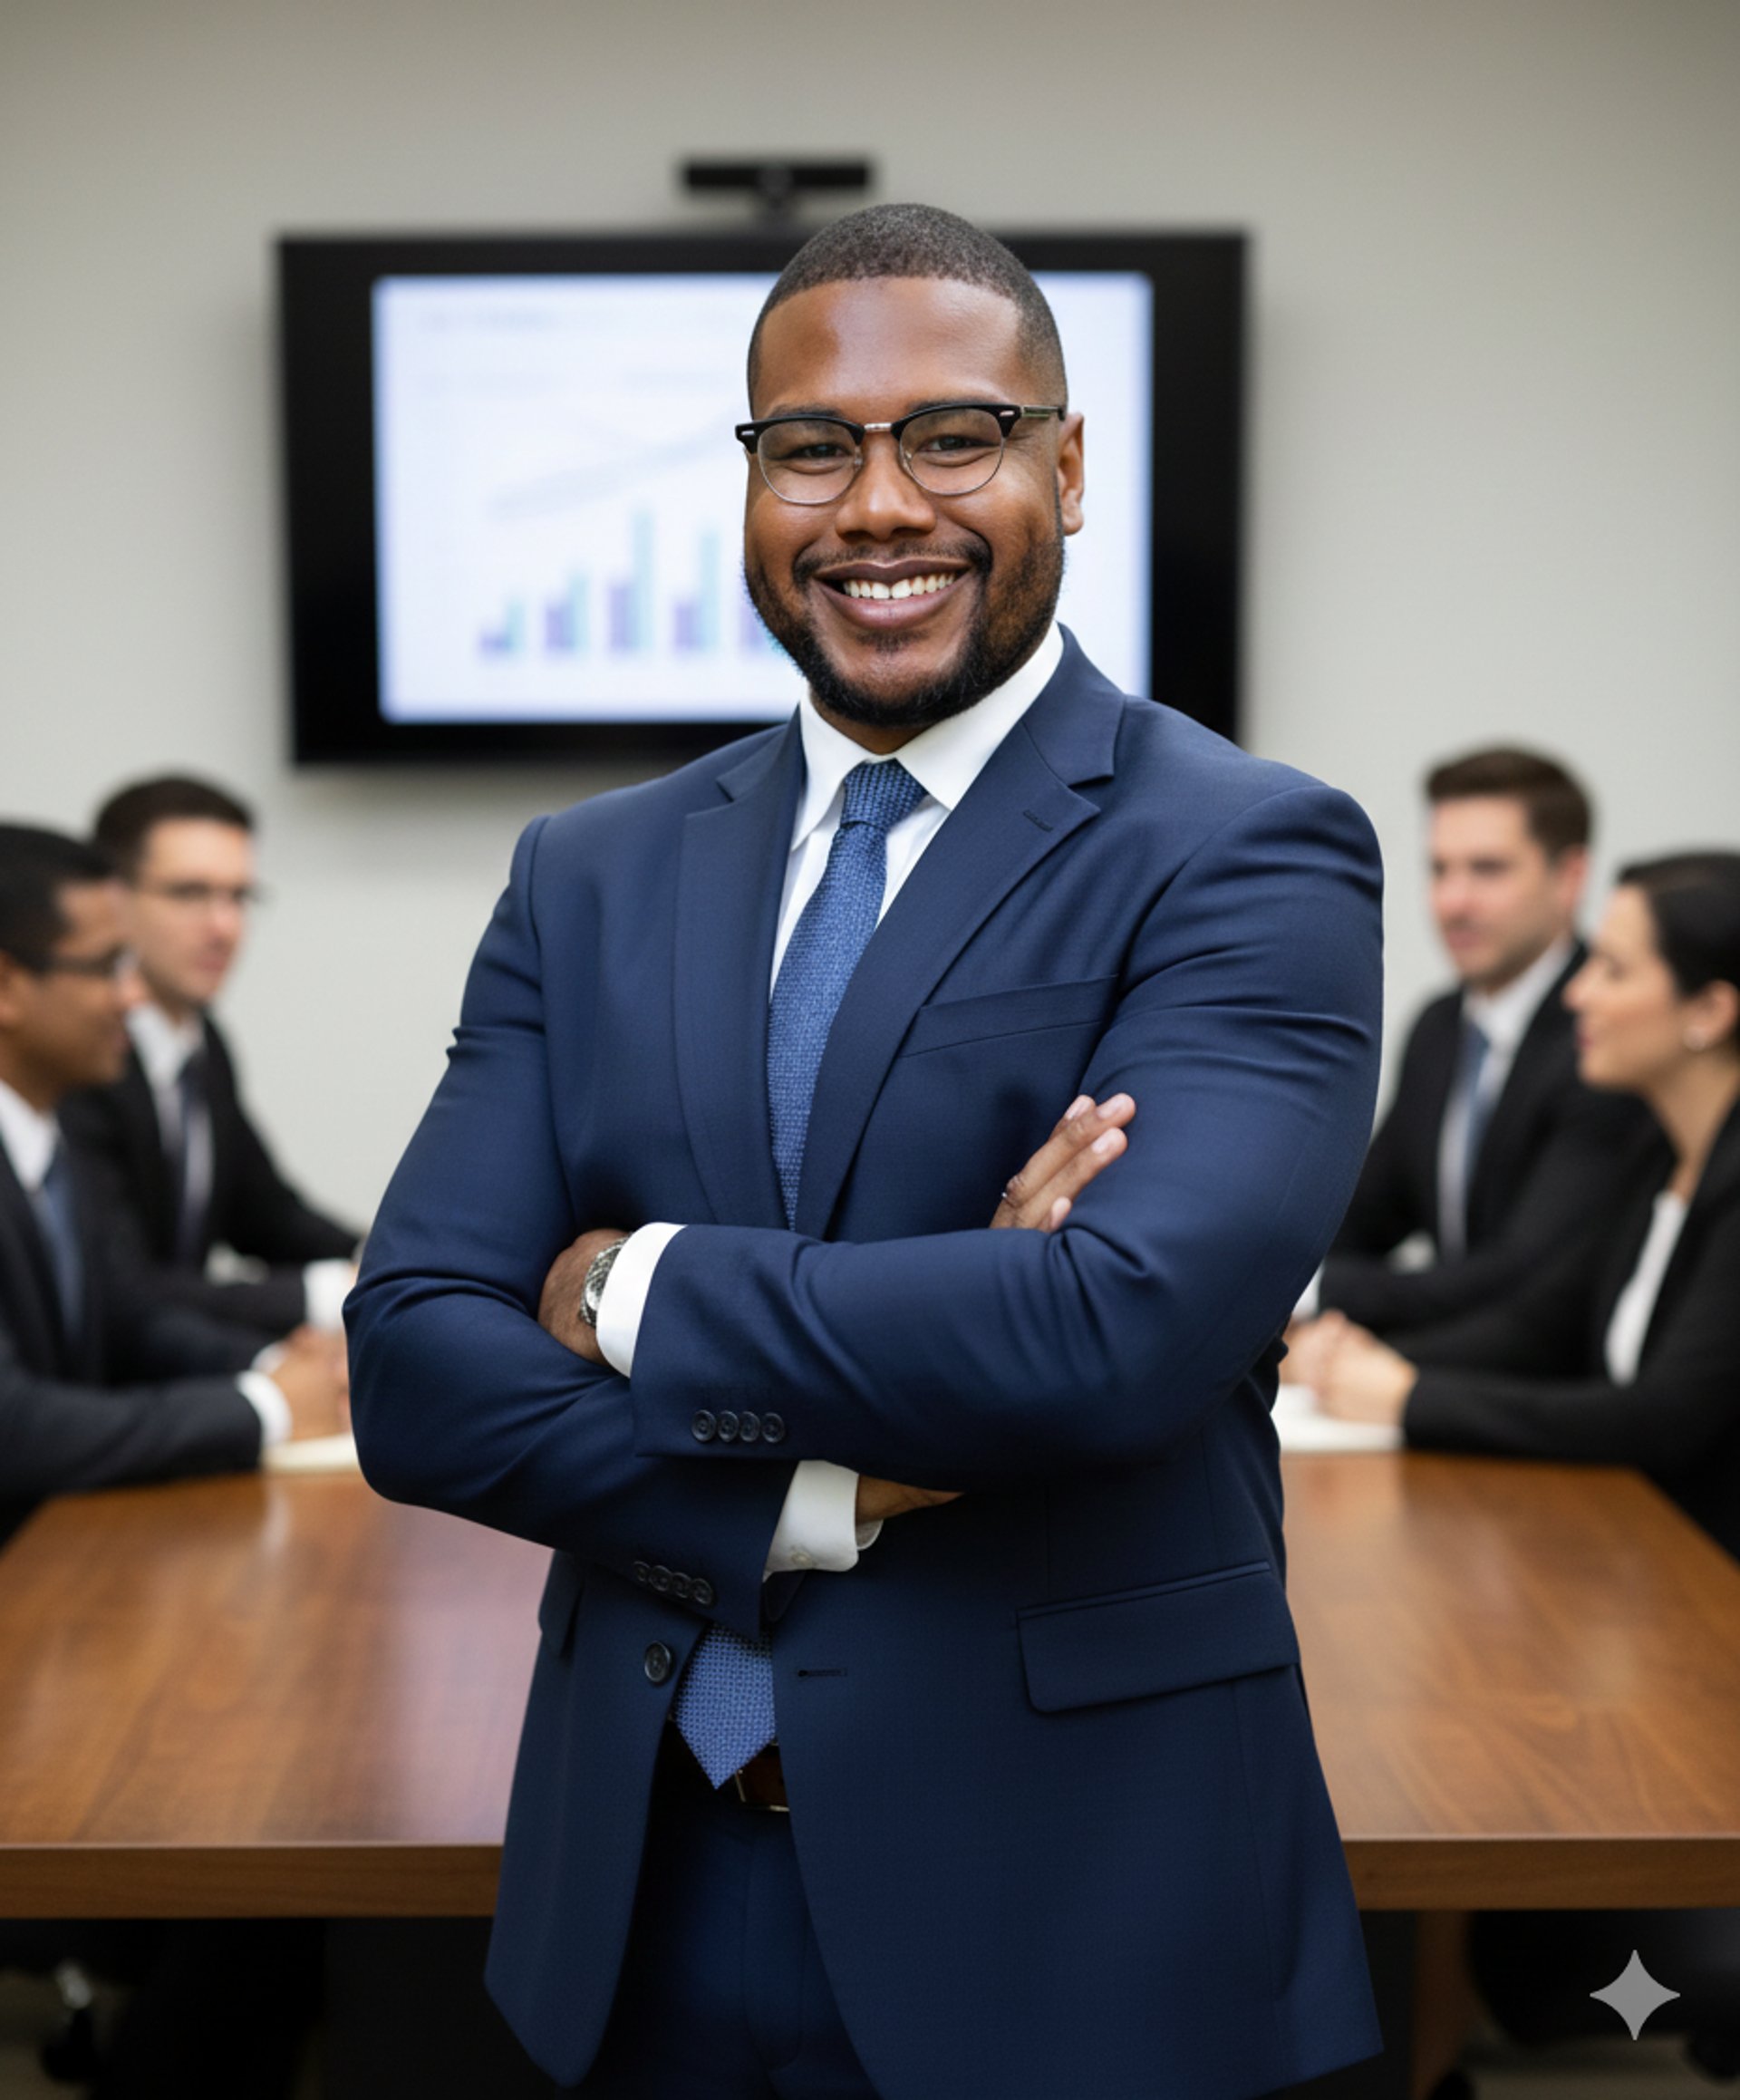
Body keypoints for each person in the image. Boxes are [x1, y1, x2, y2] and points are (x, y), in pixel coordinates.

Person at [349, 204, 1387, 2100]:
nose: (877, 504)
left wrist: (620, 1283)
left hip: (1073, 1910)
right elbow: (414, 1367)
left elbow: (1106, 1339)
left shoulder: (1245, 850)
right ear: (752, 484)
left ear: (1069, 469)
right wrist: (818, 1485)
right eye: (813, 446)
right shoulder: (589, 873)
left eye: (955, 437)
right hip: (635, 1895)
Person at [1300, 852, 1740, 1560]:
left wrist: (1413, 1397)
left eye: (1615, 970)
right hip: (1640, 1551)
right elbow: (1546, 1323)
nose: (1578, 995)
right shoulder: (1659, 1151)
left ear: (1712, 1010)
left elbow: (1664, 1415)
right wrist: (1365, 1364)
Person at [0, 822, 348, 1544]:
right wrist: (265, 1407)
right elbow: (16, 1425)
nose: (131, 998)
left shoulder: (44, 1131)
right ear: (7, 985)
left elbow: (129, 1316)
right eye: (104, 968)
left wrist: (281, 1365)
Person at [1315, 747, 1648, 1334]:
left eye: (1487, 869)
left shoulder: (1607, 1033)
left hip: (1543, 1392)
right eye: (1440, 869)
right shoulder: (1439, 1027)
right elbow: (1361, 1219)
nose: (1453, 902)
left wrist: (1315, 1296)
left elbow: (1520, 1272)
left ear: (1569, 877)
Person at [61, 775, 359, 1339]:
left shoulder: (202, 1042)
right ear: (111, 898)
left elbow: (267, 1216)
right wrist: (339, 1292)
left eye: (238, 897)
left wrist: (394, 1264)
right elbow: (125, 1288)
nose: (224, 927)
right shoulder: (77, 1061)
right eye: (189, 893)